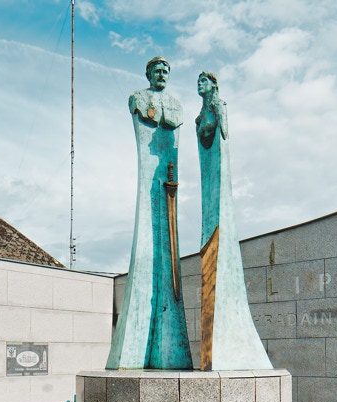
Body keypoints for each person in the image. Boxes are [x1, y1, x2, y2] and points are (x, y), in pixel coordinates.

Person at [106, 57, 193, 370]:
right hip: (151, 184)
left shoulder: (175, 104)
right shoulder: (138, 98)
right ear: (147, 74)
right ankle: (136, 347)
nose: (162, 75)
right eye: (157, 70)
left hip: (167, 181)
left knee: (169, 262)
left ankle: (168, 346)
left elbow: (172, 119)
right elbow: (150, 115)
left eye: (166, 71)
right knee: (147, 239)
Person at [196, 71, 272, 370]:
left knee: (217, 244)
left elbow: (222, 136)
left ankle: (223, 351)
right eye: (198, 83)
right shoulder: (201, 114)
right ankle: (209, 356)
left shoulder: (218, 105)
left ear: (213, 85)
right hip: (208, 191)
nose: (199, 86)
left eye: (204, 82)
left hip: (218, 192)